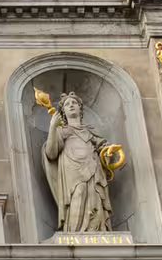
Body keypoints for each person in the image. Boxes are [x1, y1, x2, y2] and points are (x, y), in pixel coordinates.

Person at [43, 91, 113, 232]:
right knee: (79, 193)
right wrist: (52, 127)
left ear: (80, 109)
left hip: (93, 167)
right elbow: (51, 153)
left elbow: (103, 147)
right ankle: (75, 232)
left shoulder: (89, 131)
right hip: (72, 170)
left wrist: (108, 153)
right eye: (67, 104)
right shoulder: (62, 131)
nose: (71, 105)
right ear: (63, 111)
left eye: (74, 103)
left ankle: (96, 231)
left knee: (94, 195)